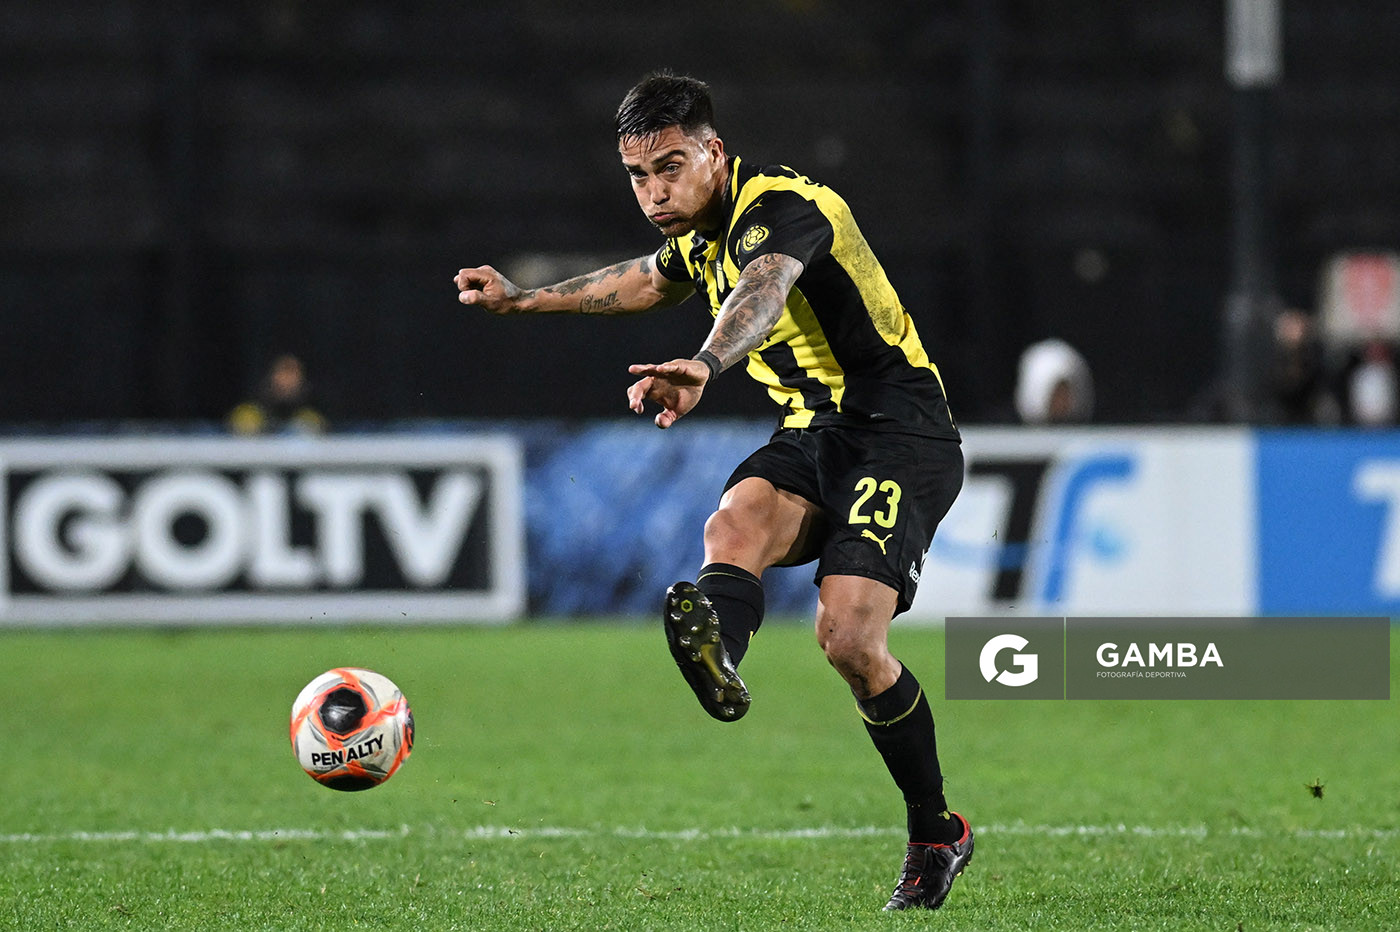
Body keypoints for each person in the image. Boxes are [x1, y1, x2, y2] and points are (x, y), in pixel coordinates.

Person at [454, 72, 971, 912]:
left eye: (671, 166)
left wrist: (704, 363)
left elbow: (763, 288)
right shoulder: (696, 234)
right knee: (733, 523)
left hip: (900, 433)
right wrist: (526, 301)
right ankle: (719, 657)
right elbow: (647, 280)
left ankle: (935, 833)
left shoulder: (782, 206)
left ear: (715, 152)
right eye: (639, 176)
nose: (655, 191)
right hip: (815, 433)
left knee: (846, 639)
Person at [227, 353, 327, 435]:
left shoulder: (312, 418)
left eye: (293, 373)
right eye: (283, 372)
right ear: (271, 376)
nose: (287, 381)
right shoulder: (247, 414)